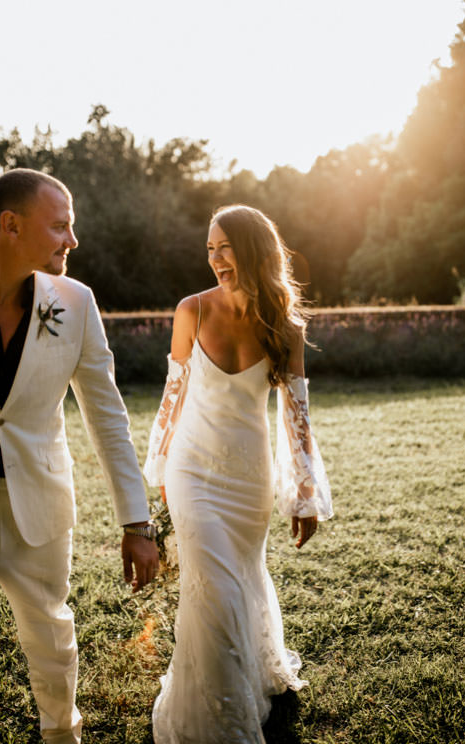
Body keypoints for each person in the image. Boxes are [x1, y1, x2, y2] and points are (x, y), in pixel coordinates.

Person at [144, 204, 333, 742]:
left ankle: (247, 679)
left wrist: (303, 495)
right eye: (209, 249)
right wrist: (158, 468)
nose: (215, 259)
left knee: (240, 580)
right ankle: (223, 725)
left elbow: (297, 416)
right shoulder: (191, 311)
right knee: (215, 592)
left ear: (252, 249)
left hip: (249, 480)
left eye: (224, 247)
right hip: (192, 471)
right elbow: (172, 398)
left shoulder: (286, 325)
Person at [0, 168, 159, 743]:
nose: (73, 240)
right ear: (11, 225)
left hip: (35, 500)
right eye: (60, 225)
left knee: (52, 638)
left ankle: (62, 734)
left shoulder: (76, 303)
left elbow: (107, 416)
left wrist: (137, 521)